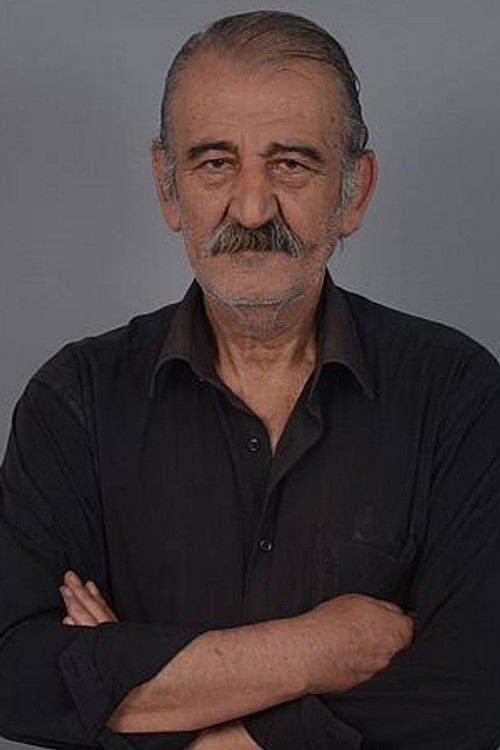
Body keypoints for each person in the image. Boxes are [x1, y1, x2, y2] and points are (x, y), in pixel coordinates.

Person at [1, 9, 500, 750]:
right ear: (167, 186)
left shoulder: (458, 393)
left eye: (292, 163)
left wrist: (157, 707)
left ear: (355, 192)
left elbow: (476, 688)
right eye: (215, 162)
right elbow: (16, 673)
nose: (253, 206)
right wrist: (316, 650)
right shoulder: (74, 401)